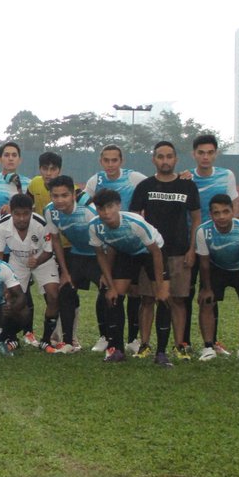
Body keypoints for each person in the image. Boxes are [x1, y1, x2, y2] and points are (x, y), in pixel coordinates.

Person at [129, 141, 200, 360]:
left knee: (178, 300)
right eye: (160, 156)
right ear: (154, 159)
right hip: (150, 254)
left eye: (169, 156)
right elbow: (134, 219)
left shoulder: (187, 185)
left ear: (176, 159)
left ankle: (179, 345)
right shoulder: (145, 186)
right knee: (147, 299)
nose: (165, 161)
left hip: (179, 252)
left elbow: (196, 219)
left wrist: (192, 249)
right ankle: (144, 344)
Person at [88, 188, 169, 365]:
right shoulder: (95, 226)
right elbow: (101, 254)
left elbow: (155, 252)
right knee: (113, 297)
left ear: (119, 206)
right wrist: (110, 286)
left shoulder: (135, 222)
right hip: (125, 253)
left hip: (150, 252)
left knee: (163, 298)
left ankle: (161, 354)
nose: (106, 212)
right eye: (101, 208)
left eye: (110, 207)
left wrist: (160, 285)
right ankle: (117, 350)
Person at [84, 144, 149, 351]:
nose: (110, 164)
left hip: (133, 241)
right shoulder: (95, 181)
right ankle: (105, 336)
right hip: (108, 243)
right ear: (100, 161)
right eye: (106, 160)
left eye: (114, 160)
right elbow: (85, 202)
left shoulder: (135, 178)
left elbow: (153, 190)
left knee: (135, 292)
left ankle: (132, 339)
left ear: (121, 161)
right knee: (106, 288)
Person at [186, 133, 239, 350]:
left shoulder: (226, 176)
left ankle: (212, 340)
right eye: (201, 153)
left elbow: (233, 207)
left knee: (210, 293)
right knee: (186, 293)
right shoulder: (186, 178)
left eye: (209, 153)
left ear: (215, 154)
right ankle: (184, 342)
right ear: (194, 154)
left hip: (215, 243)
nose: (205, 157)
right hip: (190, 242)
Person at [195, 194, 239, 363]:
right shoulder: (203, 231)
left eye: (226, 211)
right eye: (217, 213)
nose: (221, 216)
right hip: (217, 269)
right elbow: (204, 263)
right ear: (211, 214)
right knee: (206, 302)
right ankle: (208, 347)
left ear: (233, 211)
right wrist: (207, 289)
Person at [0, 194, 60, 350]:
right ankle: (11, 337)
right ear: (11, 212)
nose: (22, 218)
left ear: (32, 211)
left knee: (53, 295)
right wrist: (0, 278)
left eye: (26, 214)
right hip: (17, 261)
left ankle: (46, 340)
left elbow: (49, 252)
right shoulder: (3, 226)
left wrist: (36, 261)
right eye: (17, 214)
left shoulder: (41, 224)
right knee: (9, 297)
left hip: (42, 260)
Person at [43, 175, 99, 353]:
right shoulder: (50, 211)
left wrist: (106, 271)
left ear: (73, 195)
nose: (60, 200)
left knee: (109, 294)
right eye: (55, 196)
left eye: (64, 195)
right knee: (65, 291)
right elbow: (56, 241)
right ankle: (67, 341)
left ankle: (110, 340)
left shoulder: (89, 210)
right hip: (77, 254)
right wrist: (65, 272)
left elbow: (104, 240)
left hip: (99, 255)